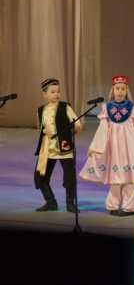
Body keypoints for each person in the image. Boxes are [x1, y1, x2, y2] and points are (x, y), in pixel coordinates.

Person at [80, 75, 134, 216]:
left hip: (129, 147)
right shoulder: (107, 108)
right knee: (115, 177)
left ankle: (130, 207)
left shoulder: (133, 108)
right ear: (113, 90)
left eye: (122, 89)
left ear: (126, 91)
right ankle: (112, 206)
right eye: (117, 88)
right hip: (113, 147)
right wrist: (94, 147)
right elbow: (102, 130)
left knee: (130, 176)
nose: (120, 92)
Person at [34, 78, 82, 213]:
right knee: (40, 177)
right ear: (45, 94)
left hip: (64, 147)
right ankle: (51, 202)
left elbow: (77, 125)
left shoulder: (65, 107)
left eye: (58, 91)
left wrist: (70, 133)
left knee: (69, 177)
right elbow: (40, 128)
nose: (56, 94)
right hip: (47, 148)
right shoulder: (41, 110)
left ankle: (70, 203)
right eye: (53, 92)